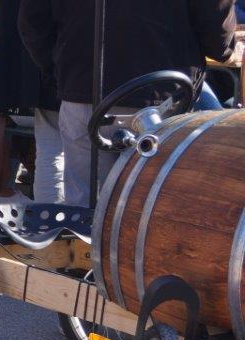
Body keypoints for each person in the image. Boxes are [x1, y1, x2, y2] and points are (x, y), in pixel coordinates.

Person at [19, 0, 238, 208]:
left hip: (90, 91)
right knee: (151, 211)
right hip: (161, 97)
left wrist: (63, 72)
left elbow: (33, 23)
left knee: (87, 213)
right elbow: (218, 39)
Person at [0, 0, 61, 203]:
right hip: (56, 74)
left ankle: (47, 217)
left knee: (51, 149)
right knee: (57, 149)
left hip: (24, 79)